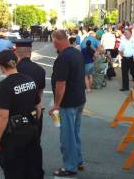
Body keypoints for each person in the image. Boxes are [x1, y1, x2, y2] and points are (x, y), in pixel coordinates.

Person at [0, 49, 43, 179]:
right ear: (16, 62)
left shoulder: (4, 86)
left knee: (14, 170)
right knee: (32, 168)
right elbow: (38, 106)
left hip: (13, 137)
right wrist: (35, 124)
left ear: (1, 66)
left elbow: (3, 116)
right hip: (31, 132)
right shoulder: (29, 80)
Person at [49, 30, 86, 177]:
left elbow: (61, 84)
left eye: (53, 41)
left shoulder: (63, 58)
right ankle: (78, 160)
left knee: (67, 137)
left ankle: (70, 167)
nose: (53, 44)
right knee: (74, 133)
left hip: (68, 103)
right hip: (79, 100)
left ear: (56, 41)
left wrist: (57, 105)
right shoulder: (77, 53)